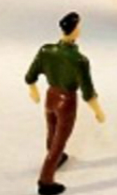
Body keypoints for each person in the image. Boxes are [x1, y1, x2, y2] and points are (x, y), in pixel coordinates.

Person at [25, 12, 106, 195]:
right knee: (59, 142)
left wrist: (34, 91)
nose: (80, 29)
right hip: (67, 101)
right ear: (75, 30)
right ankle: (46, 180)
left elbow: (30, 76)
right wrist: (98, 111)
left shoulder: (46, 51)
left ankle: (57, 158)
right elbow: (88, 92)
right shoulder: (79, 60)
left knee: (52, 132)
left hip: (50, 97)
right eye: (79, 26)